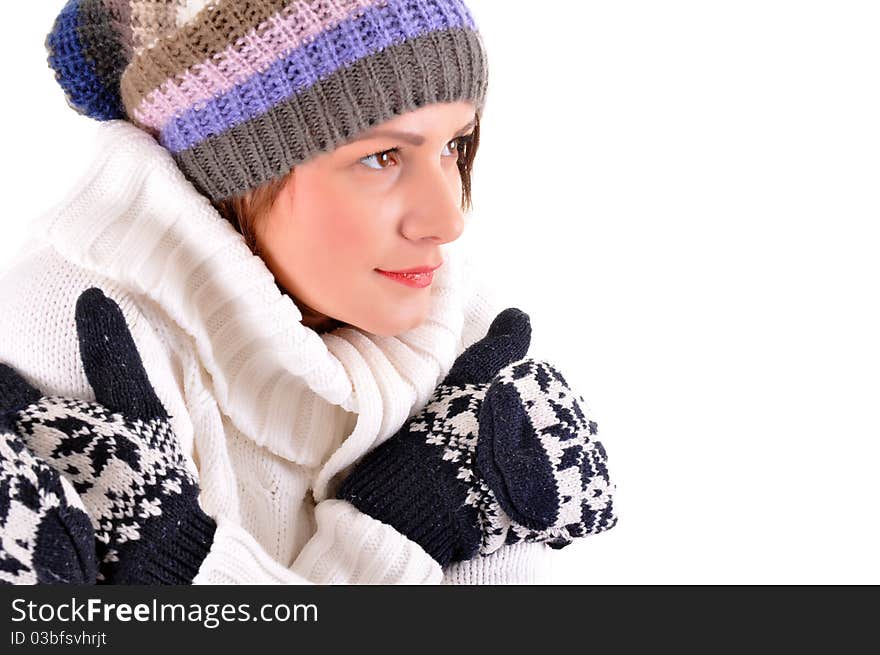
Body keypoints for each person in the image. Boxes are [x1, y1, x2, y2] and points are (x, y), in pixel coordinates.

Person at [0, 0, 616, 584]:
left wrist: (195, 574)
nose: (447, 220)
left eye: (455, 145)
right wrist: (404, 537)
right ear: (234, 170)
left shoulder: (451, 321)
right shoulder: (82, 324)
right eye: (382, 157)